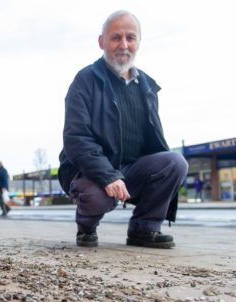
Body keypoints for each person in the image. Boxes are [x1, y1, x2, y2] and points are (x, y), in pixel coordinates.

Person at [58, 10, 188, 249]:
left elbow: (153, 140)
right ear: (101, 42)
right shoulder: (85, 80)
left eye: (131, 37)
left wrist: (159, 181)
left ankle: (144, 228)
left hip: (130, 169)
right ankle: (86, 228)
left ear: (139, 42)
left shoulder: (147, 85)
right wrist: (108, 175)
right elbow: (76, 137)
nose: (124, 44)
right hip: (87, 170)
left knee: (175, 163)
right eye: (116, 37)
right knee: (97, 197)